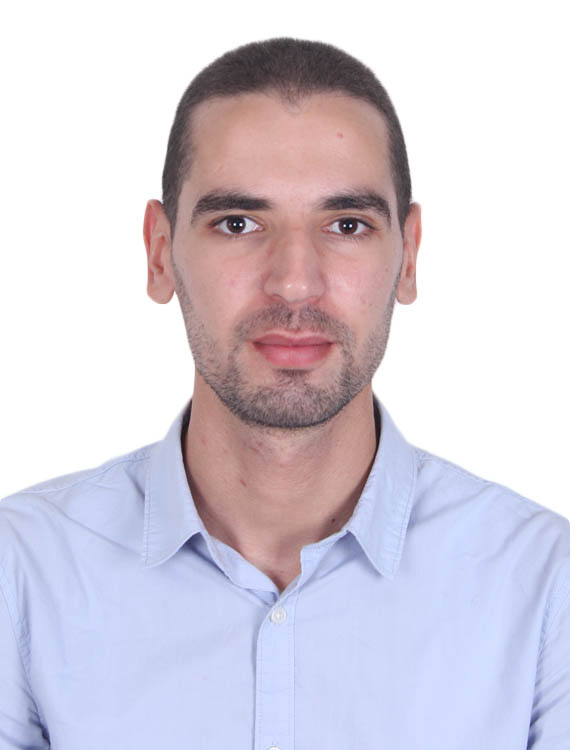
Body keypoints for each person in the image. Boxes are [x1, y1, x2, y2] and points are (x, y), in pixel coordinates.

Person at [0, 37, 568, 750]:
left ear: (408, 257)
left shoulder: (544, 586)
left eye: (347, 225)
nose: (295, 282)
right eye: (238, 224)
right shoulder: (22, 570)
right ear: (160, 252)